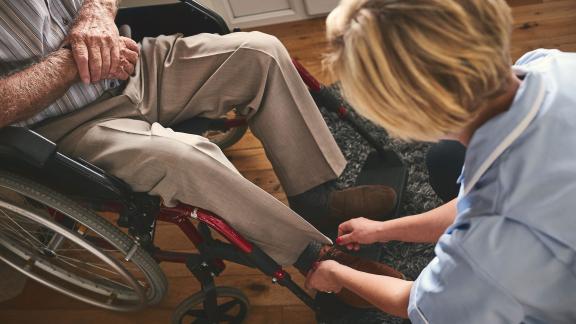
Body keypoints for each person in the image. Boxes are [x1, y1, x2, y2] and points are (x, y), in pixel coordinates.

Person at [0, 0, 404, 306]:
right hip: (64, 124)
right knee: (188, 157)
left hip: (131, 66)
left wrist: (96, 13)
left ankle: (315, 195)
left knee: (260, 52)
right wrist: (73, 61)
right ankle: (318, 261)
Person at [305, 0, 576, 322]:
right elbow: (477, 200)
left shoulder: (490, 246)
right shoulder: (552, 64)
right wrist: (383, 230)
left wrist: (337, 274)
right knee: (447, 159)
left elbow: (416, 301)